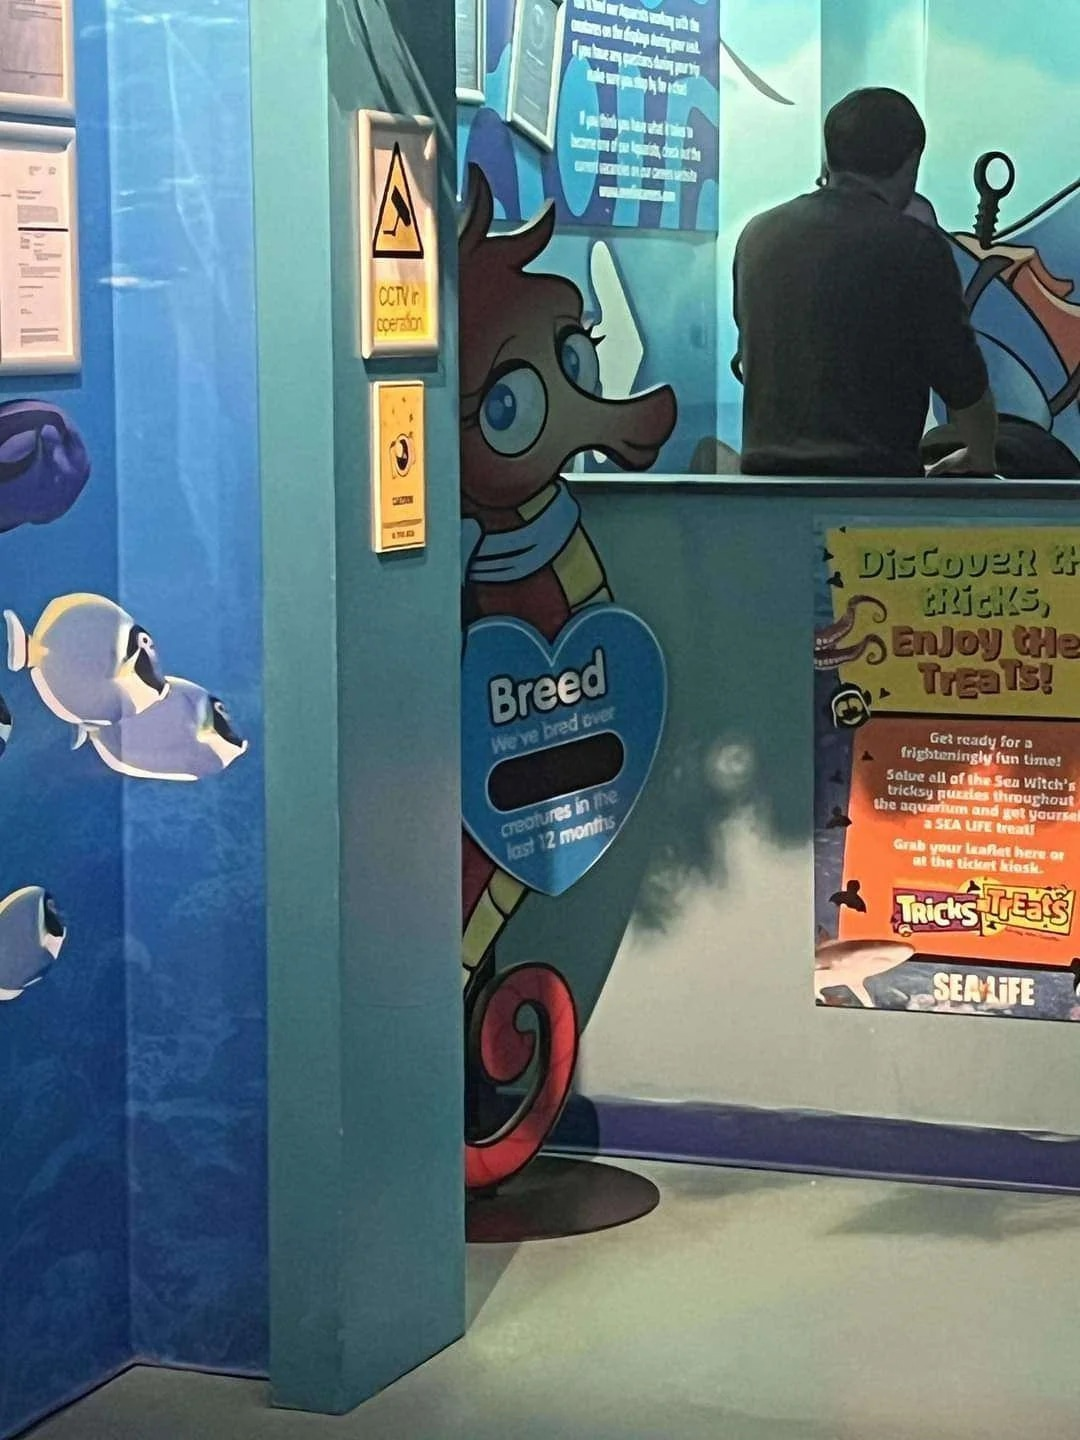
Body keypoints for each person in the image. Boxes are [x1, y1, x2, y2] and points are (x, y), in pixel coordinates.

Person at [732, 88, 997, 477]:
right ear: (912, 161)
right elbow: (962, 379)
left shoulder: (757, 235)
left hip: (765, 486)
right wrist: (980, 455)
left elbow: (749, 357)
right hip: (872, 489)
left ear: (829, 157)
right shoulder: (915, 245)